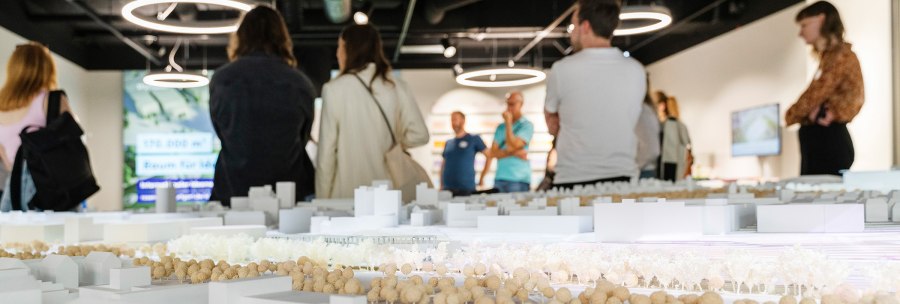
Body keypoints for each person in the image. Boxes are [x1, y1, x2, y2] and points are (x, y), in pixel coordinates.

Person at [209, 5, 316, 206]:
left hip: (233, 188)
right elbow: (303, 136)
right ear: (282, 38)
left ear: (241, 37)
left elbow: (222, 130)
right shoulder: (300, 83)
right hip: (288, 193)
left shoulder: (221, 79)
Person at [316, 24, 429, 199]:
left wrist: (322, 199)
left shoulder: (334, 89)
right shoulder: (397, 86)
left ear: (348, 49)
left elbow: (326, 154)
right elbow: (420, 135)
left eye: (340, 47)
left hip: (347, 195)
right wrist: (393, 143)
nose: (337, 54)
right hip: (389, 194)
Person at [544, 0, 645, 189]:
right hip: (623, 177)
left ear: (585, 26)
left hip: (573, 177)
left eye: (573, 25)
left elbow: (552, 123)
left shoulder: (562, 70)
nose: (572, 32)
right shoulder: (636, 70)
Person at [785, 1, 863, 176]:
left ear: (821, 19)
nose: (801, 33)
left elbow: (815, 95)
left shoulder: (840, 56)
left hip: (828, 142)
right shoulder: (829, 58)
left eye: (804, 25)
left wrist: (792, 114)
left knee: (819, 189)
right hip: (821, 141)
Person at [0, 42, 73, 211]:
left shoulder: (1, 105)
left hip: (13, 190)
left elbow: (4, 156)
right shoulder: (51, 100)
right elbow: (74, 141)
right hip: (49, 188)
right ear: (47, 69)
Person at [479, 92, 533, 193]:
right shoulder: (500, 127)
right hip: (500, 178)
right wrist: (514, 152)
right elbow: (493, 153)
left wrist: (508, 123)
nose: (509, 107)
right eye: (508, 104)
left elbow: (513, 144)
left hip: (519, 179)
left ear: (521, 104)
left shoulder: (526, 125)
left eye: (512, 104)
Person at [440, 111, 487, 197]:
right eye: (452, 120)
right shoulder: (448, 143)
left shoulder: (474, 139)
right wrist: (441, 185)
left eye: (455, 119)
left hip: (466, 189)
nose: (453, 122)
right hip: (447, 189)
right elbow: (443, 165)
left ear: (463, 121)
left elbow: (489, 156)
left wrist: (482, 177)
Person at [656, 92, 693, 181]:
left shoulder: (666, 124)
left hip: (668, 163)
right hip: (673, 163)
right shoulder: (679, 125)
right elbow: (687, 143)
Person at [636, 87, 661, 179]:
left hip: (642, 171)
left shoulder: (643, 111)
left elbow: (653, 150)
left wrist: (635, 166)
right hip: (642, 169)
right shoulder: (643, 110)